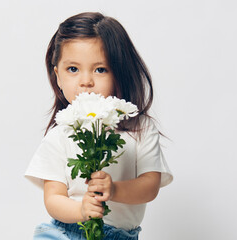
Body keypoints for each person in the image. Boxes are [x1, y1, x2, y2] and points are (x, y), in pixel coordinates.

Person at [25, 12, 173, 240]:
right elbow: (53, 198)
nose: (86, 81)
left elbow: (150, 185)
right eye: (72, 69)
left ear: (120, 73)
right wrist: (81, 210)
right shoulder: (61, 132)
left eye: (100, 69)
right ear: (58, 76)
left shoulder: (140, 128)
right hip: (66, 231)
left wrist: (114, 190)